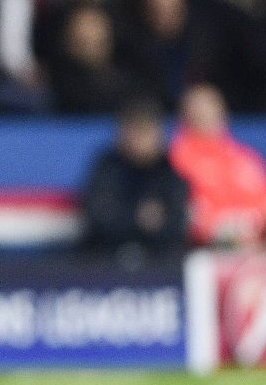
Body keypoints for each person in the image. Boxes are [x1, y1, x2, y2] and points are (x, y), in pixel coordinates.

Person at [80, 98, 190, 266]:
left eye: (145, 131)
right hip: (106, 260)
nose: (139, 139)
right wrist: (136, 219)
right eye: (134, 130)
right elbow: (97, 217)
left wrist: (156, 225)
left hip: (161, 263)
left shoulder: (170, 171)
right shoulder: (107, 168)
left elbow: (178, 224)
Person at [168, 83, 266, 248]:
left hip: (255, 245)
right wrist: (226, 234)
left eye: (211, 108)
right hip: (202, 248)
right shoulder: (175, 159)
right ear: (185, 116)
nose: (205, 114)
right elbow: (185, 213)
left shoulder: (246, 158)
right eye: (198, 110)